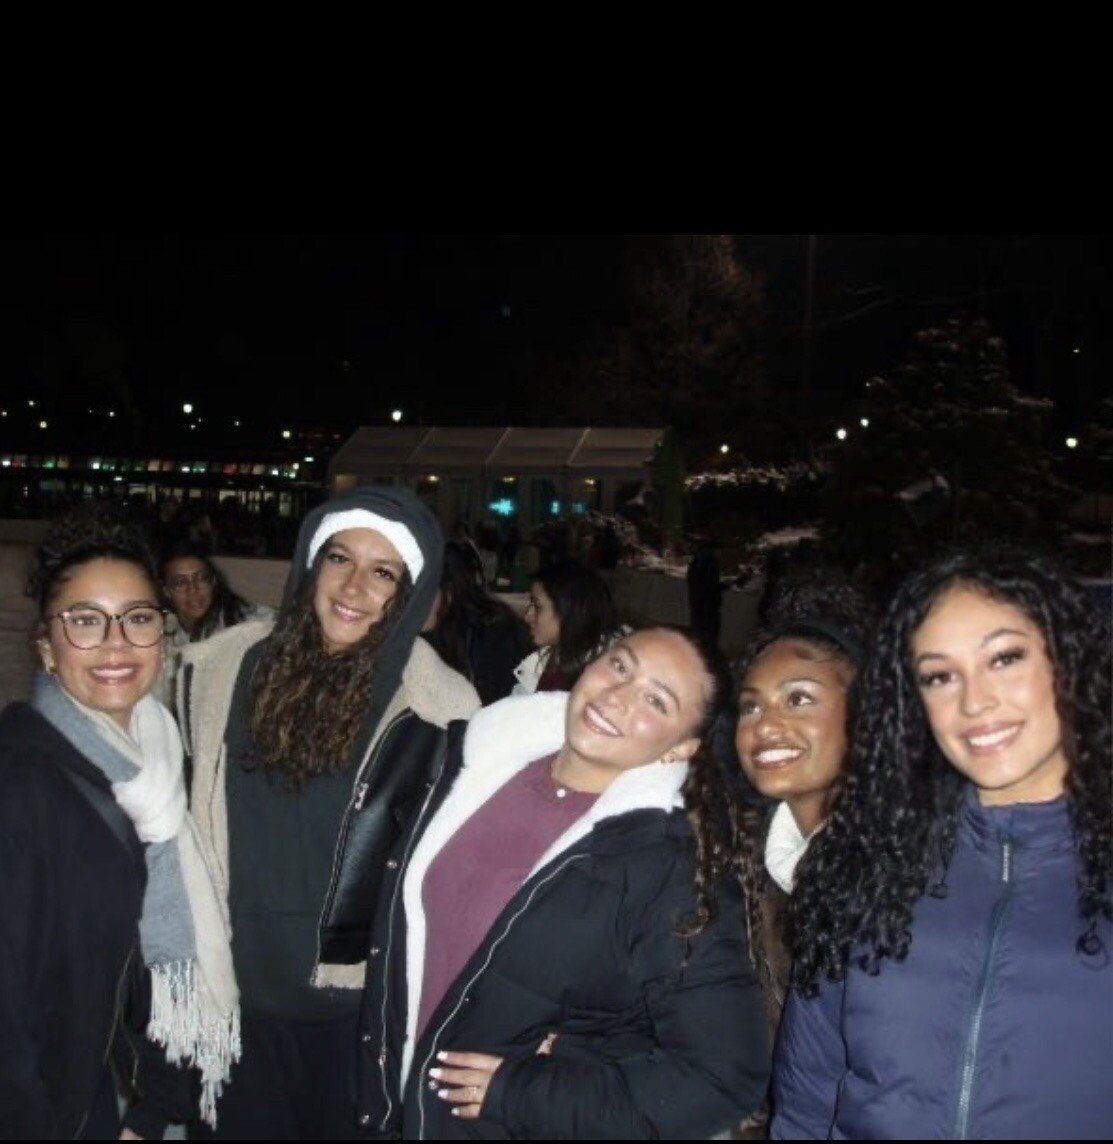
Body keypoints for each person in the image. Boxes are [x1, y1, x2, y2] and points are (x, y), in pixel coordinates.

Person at [356, 625, 772, 1139]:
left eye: (656, 700)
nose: (617, 696)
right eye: (620, 666)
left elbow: (724, 1076)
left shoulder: (667, 866)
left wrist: (528, 1091)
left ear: (682, 747)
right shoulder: (476, 763)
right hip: (391, 1108)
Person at [770, 542, 1113, 1140]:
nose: (974, 702)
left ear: (1070, 660)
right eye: (939, 676)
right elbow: (807, 1099)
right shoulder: (868, 860)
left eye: (1004, 658)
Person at [176, 486, 482, 1139]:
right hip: (228, 998)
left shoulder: (442, 710)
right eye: (339, 558)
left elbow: (462, 879)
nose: (353, 587)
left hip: (353, 1016)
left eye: (383, 573)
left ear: (411, 593)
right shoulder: (219, 670)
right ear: (310, 566)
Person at [0, 500, 238, 1138]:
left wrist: (152, 1111)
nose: (116, 643)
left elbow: (140, 962)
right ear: (46, 646)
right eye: (85, 620)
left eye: (137, 618)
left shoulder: (155, 759)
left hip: (117, 1100)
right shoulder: (24, 782)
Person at [721, 568, 876, 1138]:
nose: (766, 726)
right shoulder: (740, 855)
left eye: (799, 699)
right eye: (751, 706)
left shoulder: (910, 871)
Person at [155, 539, 276, 709]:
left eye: (201, 579)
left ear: (213, 582)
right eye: (180, 583)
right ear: (166, 591)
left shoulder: (246, 625)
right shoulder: (161, 636)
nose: (193, 589)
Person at [421, 539, 532, 705]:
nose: (413, 605)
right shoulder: (428, 631)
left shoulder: (493, 632)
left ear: (449, 592)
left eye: (424, 595)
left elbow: (493, 700)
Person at [511, 557, 624, 695]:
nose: (527, 616)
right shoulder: (544, 661)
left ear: (567, 610)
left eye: (538, 607)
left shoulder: (605, 675)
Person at [687, 536, 724, 647]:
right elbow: (711, 585)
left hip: (696, 602)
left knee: (698, 631)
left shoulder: (697, 560)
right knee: (708, 634)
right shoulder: (710, 561)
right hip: (709, 605)